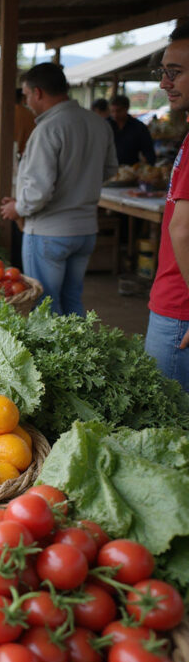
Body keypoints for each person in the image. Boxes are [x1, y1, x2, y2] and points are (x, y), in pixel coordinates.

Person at [0, 63, 118, 316]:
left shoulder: (47, 129)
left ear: (38, 92)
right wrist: (80, 182)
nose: (26, 102)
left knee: (46, 304)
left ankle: (63, 345)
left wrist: (18, 207)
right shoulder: (98, 123)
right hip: (85, 229)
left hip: (49, 232)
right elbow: (110, 170)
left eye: (26, 95)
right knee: (73, 298)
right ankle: (81, 342)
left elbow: (39, 192)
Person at [145, 23, 189, 390]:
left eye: (174, 73)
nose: (164, 83)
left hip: (180, 308)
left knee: (169, 415)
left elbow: (182, 229)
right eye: (162, 72)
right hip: (175, 302)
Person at [107, 94, 156, 166]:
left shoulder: (139, 127)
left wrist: (148, 166)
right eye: (112, 111)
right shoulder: (105, 126)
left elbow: (149, 152)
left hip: (131, 169)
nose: (115, 115)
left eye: (119, 111)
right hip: (107, 168)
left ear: (126, 109)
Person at [14, 87, 35, 156]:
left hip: (9, 152)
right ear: (23, 98)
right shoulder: (31, 114)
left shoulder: (5, 115)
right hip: (27, 153)